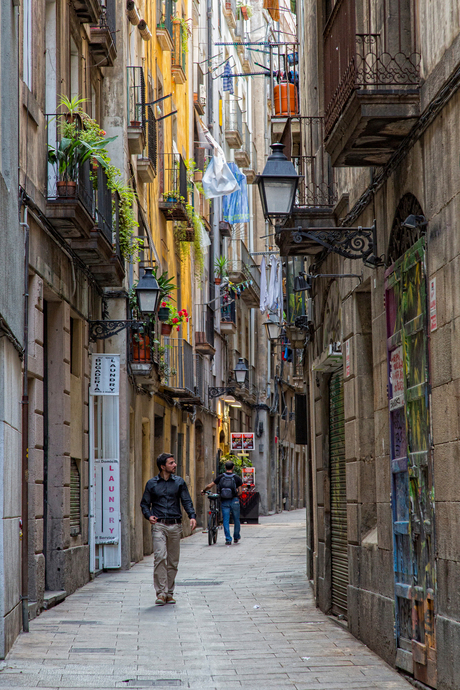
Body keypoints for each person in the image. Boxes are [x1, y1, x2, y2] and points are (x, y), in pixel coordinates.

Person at [140, 453, 197, 606]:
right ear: (162, 467)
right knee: (160, 557)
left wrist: (192, 516)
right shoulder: (151, 484)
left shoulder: (179, 483)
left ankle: (169, 593)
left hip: (175, 525)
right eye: (171, 463)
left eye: (174, 462)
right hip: (159, 525)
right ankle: (160, 593)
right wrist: (148, 516)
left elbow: (186, 500)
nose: (175, 465)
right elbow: (144, 504)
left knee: (173, 561)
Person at [202, 460, 243, 545]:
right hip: (234, 500)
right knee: (236, 519)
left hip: (224, 501)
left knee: (226, 520)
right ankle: (236, 536)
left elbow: (210, 485)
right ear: (233, 467)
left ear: (225, 467)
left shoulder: (220, 477)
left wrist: (204, 490)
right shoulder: (237, 478)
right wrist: (235, 494)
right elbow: (240, 492)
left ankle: (228, 539)